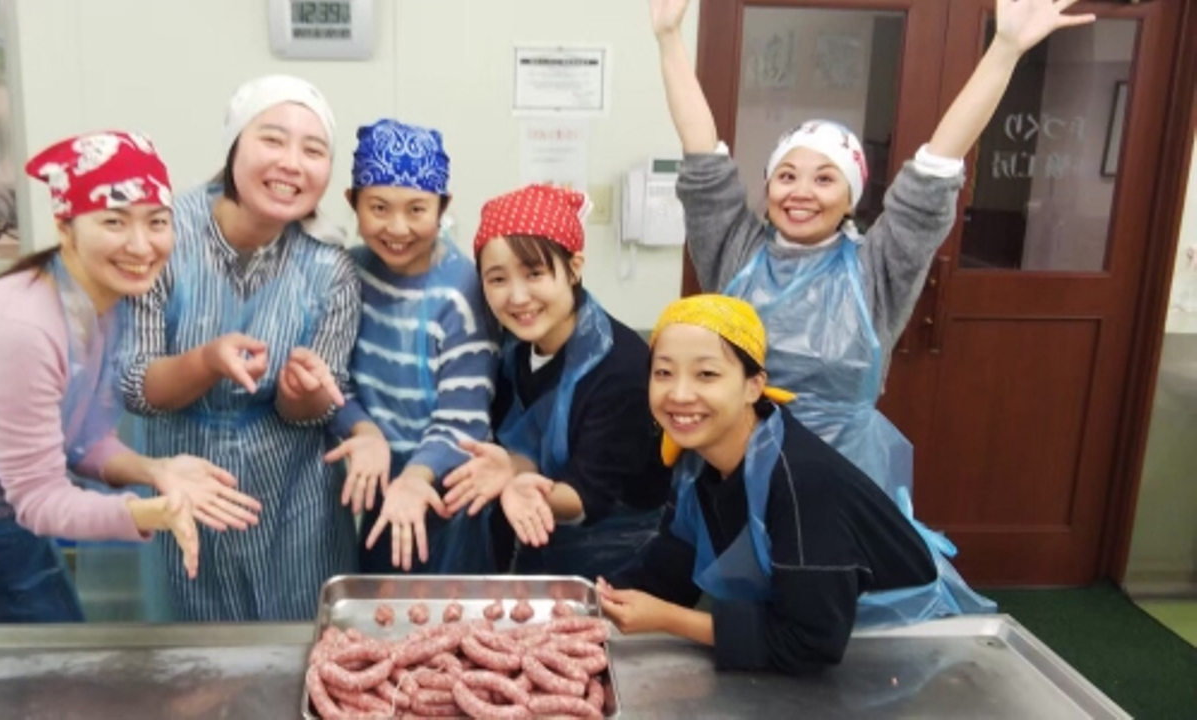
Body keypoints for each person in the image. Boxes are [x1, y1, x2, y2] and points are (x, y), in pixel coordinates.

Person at [650, 0, 1094, 499]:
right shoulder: (733, 249)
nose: (801, 192)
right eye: (787, 176)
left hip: (840, 487)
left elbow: (936, 169)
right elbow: (702, 157)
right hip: (729, 479)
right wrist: (669, 39)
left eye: (825, 179)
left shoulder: (877, 267)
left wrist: (1004, 50)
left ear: (851, 198)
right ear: (768, 186)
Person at [0, 130, 262, 623]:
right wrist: (149, 512)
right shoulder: (22, 330)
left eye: (157, 222)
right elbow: (40, 500)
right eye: (114, 221)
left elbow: (83, 438)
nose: (141, 244)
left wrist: (155, 470)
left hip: (8, 535)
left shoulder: (108, 306)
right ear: (66, 228)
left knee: (58, 670)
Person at [598, 294, 994, 675]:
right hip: (808, 646)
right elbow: (671, 566)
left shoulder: (802, 480)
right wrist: (592, 602)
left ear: (753, 385)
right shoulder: (696, 461)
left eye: (707, 374)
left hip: (904, 649)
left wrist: (669, 619)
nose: (680, 394)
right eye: (663, 373)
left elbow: (810, 641)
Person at [119, 75, 361, 621]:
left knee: (304, 646)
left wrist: (302, 392)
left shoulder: (330, 268)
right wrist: (206, 362)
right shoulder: (162, 238)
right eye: (272, 139)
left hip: (296, 501)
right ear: (234, 147)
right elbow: (135, 384)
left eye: (313, 150)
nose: (291, 163)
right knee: (196, 657)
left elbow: (316, 409)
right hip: (185, 484)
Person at [443, 184, 667, 580]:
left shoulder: (621, 368)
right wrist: (512, 469)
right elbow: (528, 438)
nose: (517, 297)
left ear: (574, 267)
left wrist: (521, 485)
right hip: (537, 538)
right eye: (497, 279)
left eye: (534, 273)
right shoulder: (512, 346)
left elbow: (588, 495)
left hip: (618, 562)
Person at [324, 118, 500, 573]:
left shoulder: (462, 294)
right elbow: (330, 378)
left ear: (443, 207)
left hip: (448, 487)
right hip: (377, 475)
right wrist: (363, 430)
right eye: (379, 208)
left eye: (417, 210)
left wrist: (415, 478)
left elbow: (463, 420)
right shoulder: (348, 274)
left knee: (444, 608)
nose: (397, 228)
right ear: (352, 201)